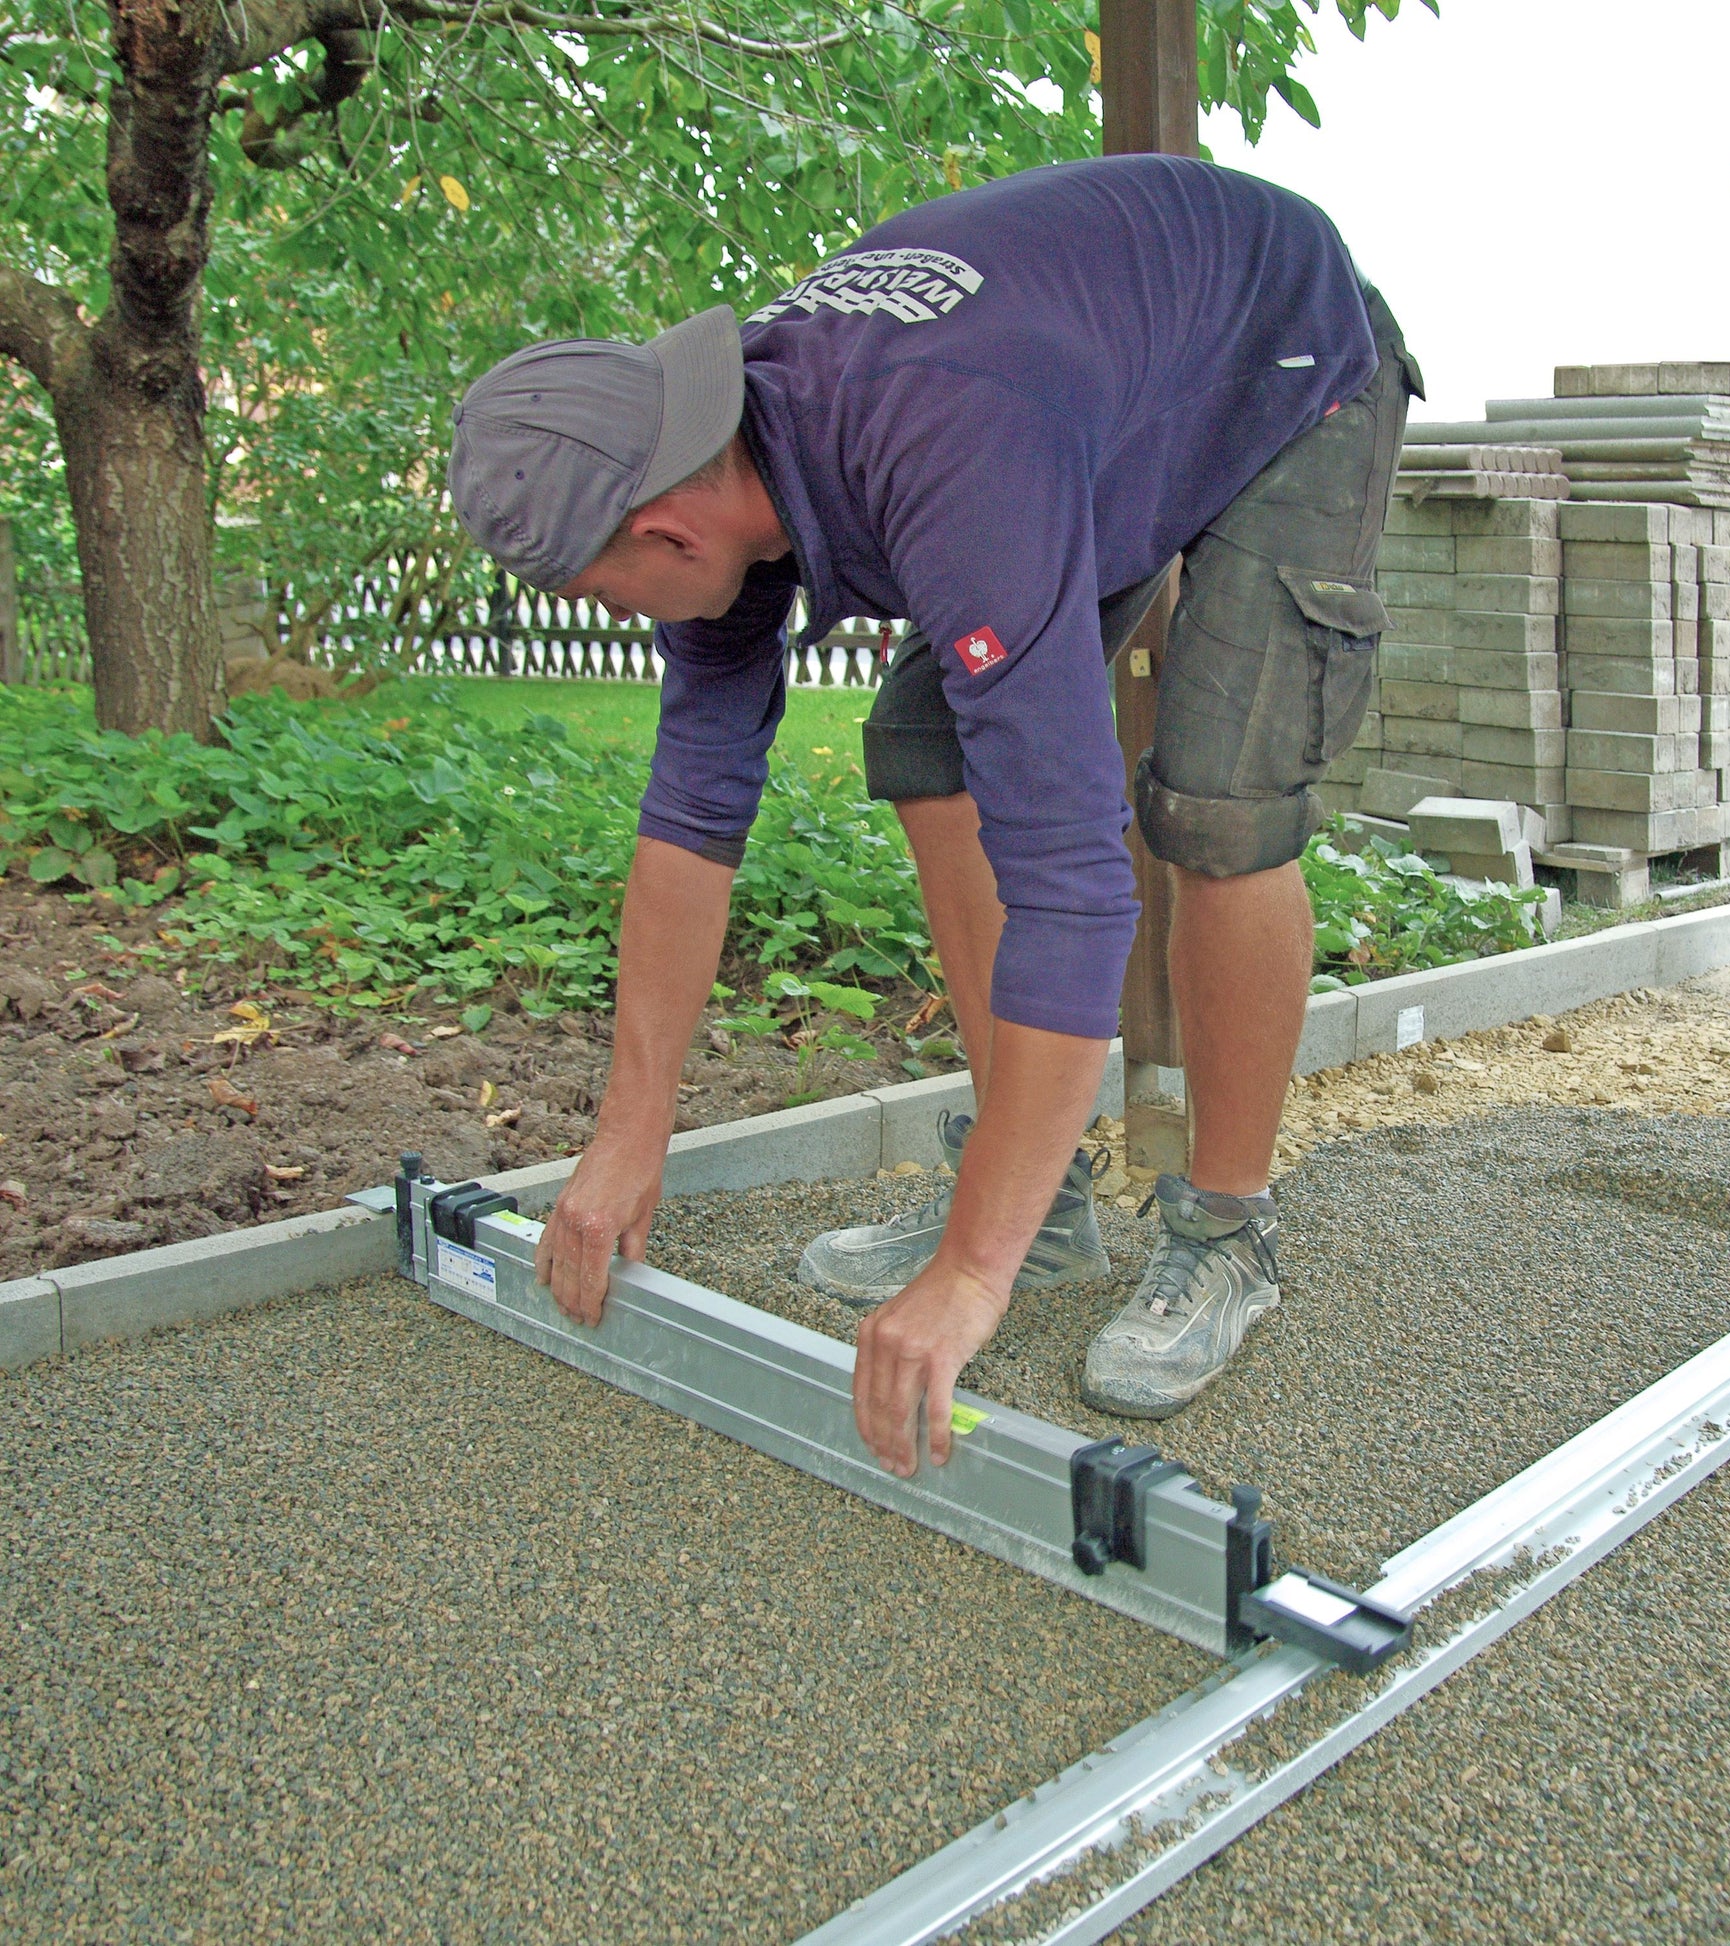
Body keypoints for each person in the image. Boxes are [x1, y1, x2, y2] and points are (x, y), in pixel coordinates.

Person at [446, 154, 1419, 1480]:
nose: (612, 615)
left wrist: (968, 1276)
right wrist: (626, 1139)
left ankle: (1224, 1228)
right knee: (925, 739)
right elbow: (691, 815)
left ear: (667, 528)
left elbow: (1075, 885)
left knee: (1214, 800)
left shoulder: (944, 448)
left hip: (1277, 363)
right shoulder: (724, 468)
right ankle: (1041, 1184)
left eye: (599, 589)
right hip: (1090, 392)